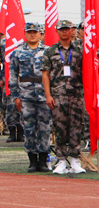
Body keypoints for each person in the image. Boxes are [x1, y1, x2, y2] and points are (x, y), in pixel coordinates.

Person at [41, 20, 85, 174]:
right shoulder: (50, 51)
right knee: (60, 128)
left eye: (67, 29)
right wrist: (48, 95)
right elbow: (45, 74)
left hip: (76, 93)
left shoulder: (80, 50)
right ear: (57, 31)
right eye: (62, 29)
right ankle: (60, 160)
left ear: (72, 30)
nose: (65, 32)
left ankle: (74, 159)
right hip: (58, 94)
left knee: (76, 127)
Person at [9, 22, 51, 172]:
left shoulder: (48, 51)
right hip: (25, 95)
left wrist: (51, 94)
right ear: (25, 34)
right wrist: (15, 96)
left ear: (41, 34)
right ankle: (32, 161)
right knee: (28, 128)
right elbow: (13, 75)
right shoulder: (17, 52)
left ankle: (43, 161)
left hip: (43, 94)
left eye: (35, 32)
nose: (32, 34)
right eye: (29, 32)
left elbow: (52, 74)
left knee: (45, 127)